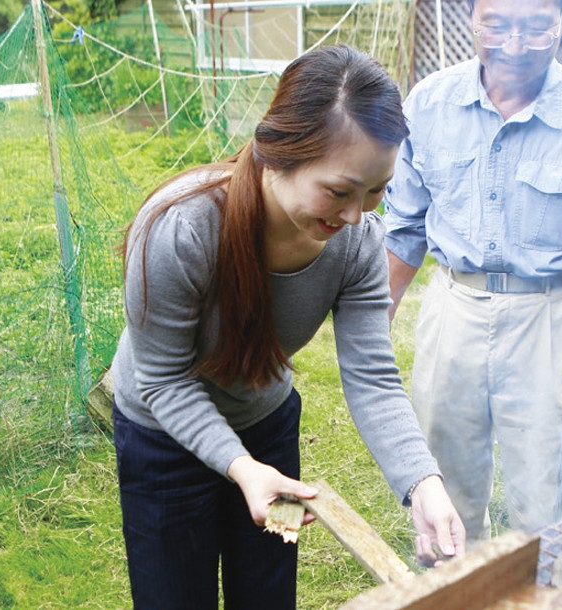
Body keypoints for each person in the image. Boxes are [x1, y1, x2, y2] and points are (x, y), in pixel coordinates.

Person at [109, 44, 466, 609]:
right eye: (340, 190)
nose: (356, 216)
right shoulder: (181, 229)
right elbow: (163, 380)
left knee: (268, 594)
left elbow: (373, 376)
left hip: (266, 429)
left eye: (377, 191)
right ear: (279, 153)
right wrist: (237, 466)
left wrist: (423, 484)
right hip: (161, 436)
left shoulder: (358, 243)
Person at [383, 0, 562, 542]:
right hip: (454, 305)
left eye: (536, 28)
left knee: (550, 495)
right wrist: (374, 324)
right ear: (472, 18)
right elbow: (404, 227)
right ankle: (452, 592)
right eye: (496, 25)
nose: (515, 46)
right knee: (443, 487)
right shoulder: (428, 104)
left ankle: (546, 592)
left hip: (550, 318)